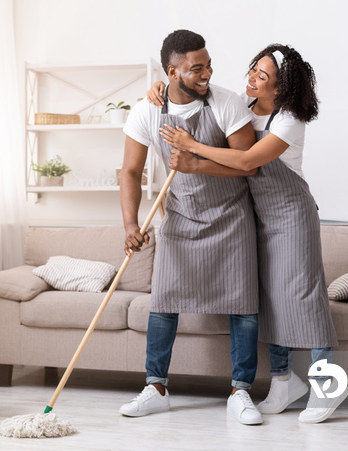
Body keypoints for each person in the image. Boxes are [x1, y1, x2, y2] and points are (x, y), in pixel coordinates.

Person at [154, 44, 348, 423]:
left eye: (264, 76)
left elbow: (247, 161)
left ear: (281, 87)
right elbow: (189, 88)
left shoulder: (289, 119)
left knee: (304, 297)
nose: (253, 79)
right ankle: (283, 382)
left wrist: (194, 150)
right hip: (257, 217)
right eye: (253, 70)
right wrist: (158, 87)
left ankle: (327, 387)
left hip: (292, 215)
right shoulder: (242, 107)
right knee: (271, 300)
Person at [119, 29, 263, 425]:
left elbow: (247, 164)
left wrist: (196, 161)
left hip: (231, 218)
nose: (206, 74)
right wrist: (130, 223)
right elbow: (130, 172)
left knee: (243, 308)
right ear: (172, 71)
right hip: (180, 217)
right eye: (196, 68)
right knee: (163, 303)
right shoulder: (147, 110)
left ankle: (240, 391)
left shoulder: (227, 104)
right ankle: (156, 388)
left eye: (208, 66)